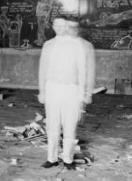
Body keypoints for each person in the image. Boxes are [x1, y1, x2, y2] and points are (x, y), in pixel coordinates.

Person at [38, 15, 95, 169]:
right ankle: (52, 158)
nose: (60, 28)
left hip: (72, 89)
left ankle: (68, 159)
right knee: (52, 126)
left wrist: (86, 93)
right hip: (52, 88)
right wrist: (42, 91)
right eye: (56, 25)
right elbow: (42, 70)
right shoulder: (48, 45)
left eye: (63, 25)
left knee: (70, 126)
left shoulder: (80, 46)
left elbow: (86, 72)